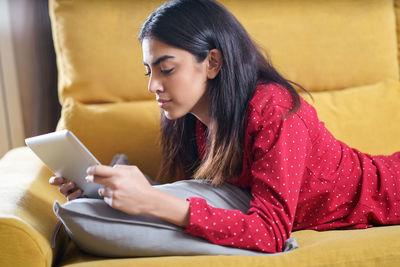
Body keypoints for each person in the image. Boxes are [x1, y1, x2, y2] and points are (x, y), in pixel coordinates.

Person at [49, 0, 400, 253]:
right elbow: (202, 200)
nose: (153, 85)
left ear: (212, 62)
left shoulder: (273, 108)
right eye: (148, 71)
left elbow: (270, 232)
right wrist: (103, 194)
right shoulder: (190, 119)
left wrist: (153, 201)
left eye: (166, 68)